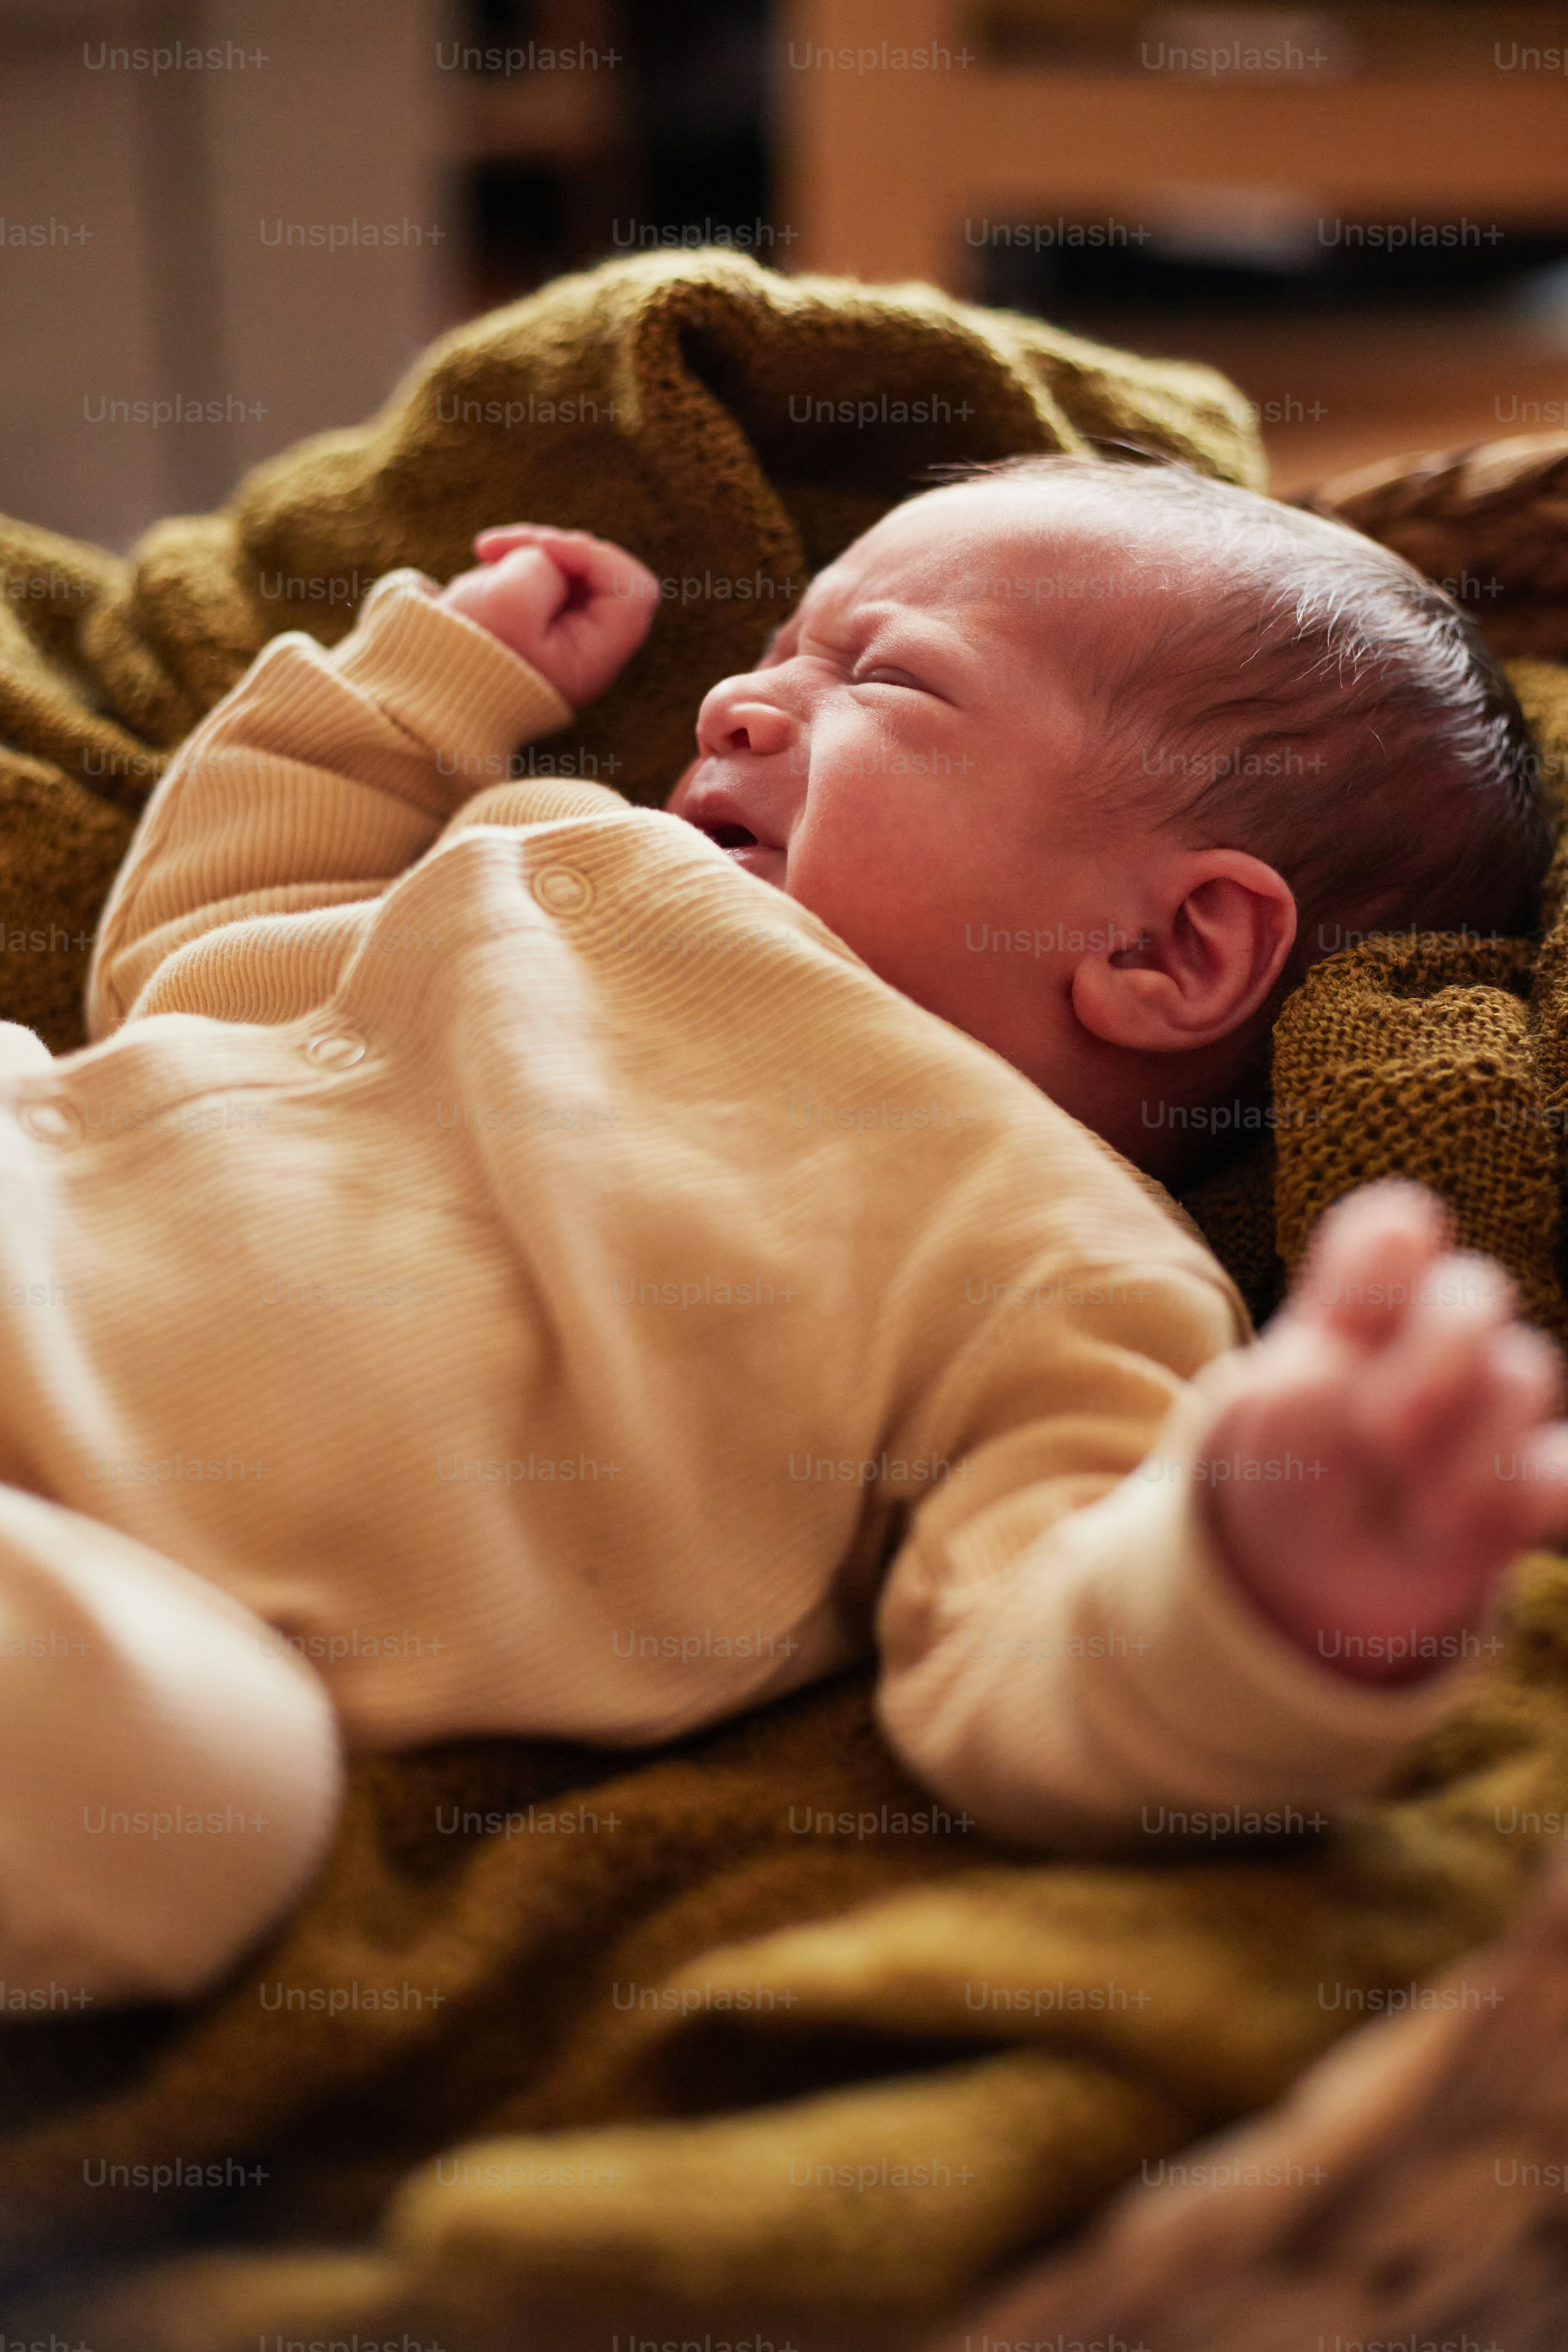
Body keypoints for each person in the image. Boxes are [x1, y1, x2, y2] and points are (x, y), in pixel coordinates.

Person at [0, 456, 1560, 2008]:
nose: (731, 706)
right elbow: (204, 956)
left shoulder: (1057, 1268)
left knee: (206, 1809)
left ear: (1169, 948)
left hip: (95, 1589)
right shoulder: (546, 863)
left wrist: (1265, 1586)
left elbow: (1036, 1656)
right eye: (773, 652)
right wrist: (416, 694)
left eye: (885, 680)